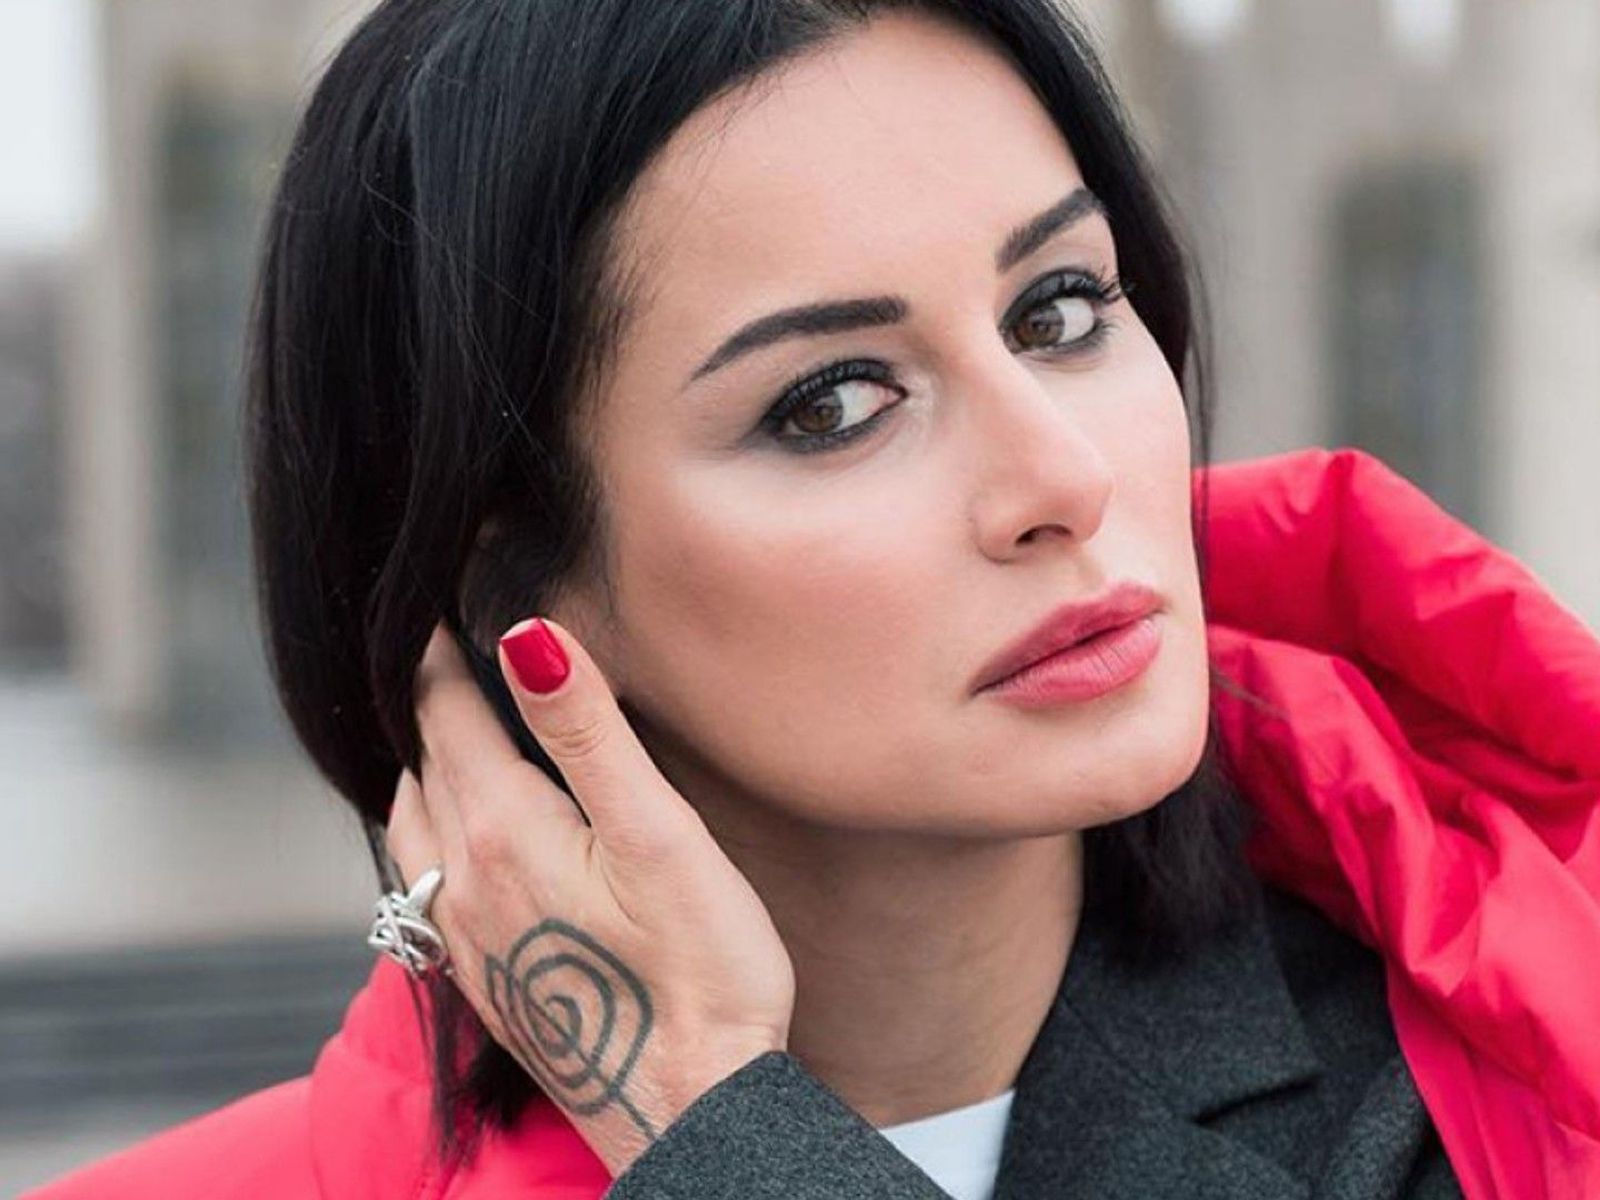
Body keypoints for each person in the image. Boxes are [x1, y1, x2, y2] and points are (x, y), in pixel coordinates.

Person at [26, 1, 1599, 1198]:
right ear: (514, 585)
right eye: (834, 402)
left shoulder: (1513, 1087)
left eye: (1061, 309)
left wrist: (719, 1134)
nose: (1061, 475)